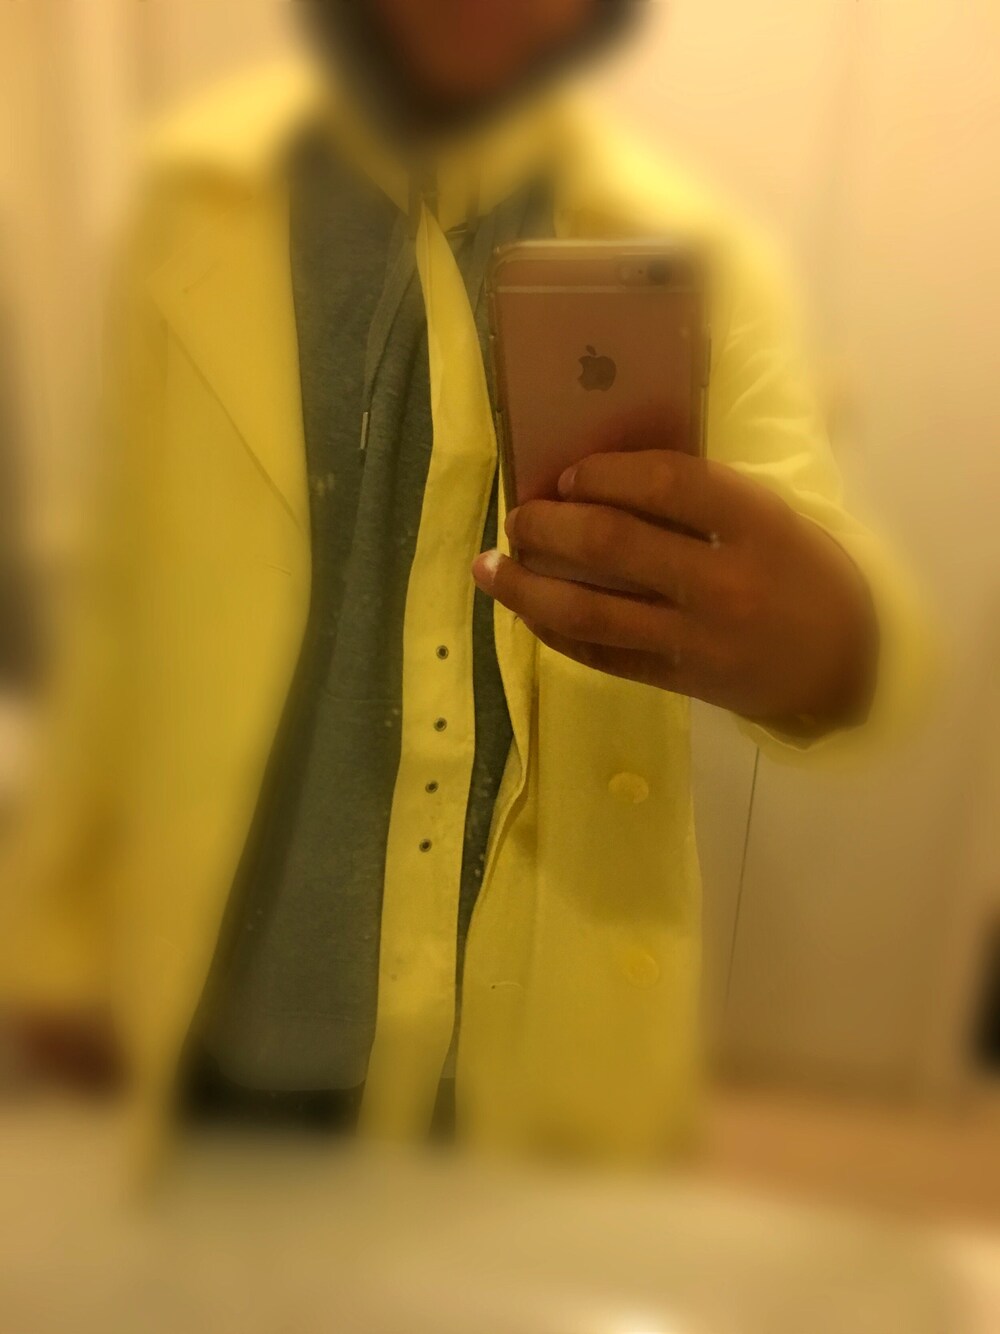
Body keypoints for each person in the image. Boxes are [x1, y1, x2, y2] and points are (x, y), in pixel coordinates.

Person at [1, 0, 920, 1161]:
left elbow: (841, 609)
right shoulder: (194, 199)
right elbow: (123, 589)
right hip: (228, 990)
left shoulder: (692, 246)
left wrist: (819, 641)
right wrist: (60, 927)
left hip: (527, 1027)